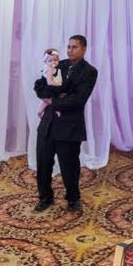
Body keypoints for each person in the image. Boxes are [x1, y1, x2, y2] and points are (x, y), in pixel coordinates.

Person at [33, 34, 97, 212]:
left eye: (74, 47)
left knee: (69, 167)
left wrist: (52, 101)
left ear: (84, 49)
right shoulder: (58, 64)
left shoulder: (89, 71)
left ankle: (73, 199)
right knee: (43, 163)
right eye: (68, 47)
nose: (70, 50)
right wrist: (49, 94)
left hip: (70, 127)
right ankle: (45, 197)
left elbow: (79, 100)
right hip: (48, 125)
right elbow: (39, 86)